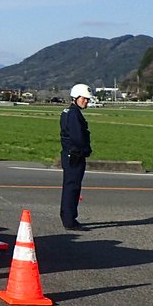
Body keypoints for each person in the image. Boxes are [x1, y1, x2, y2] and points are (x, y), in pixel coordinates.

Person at [60, 83, 94, 230]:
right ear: (76, 97)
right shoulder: (74, 114)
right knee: (72, 188)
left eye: (87, 99)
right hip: (75, 156)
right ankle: (70, 220)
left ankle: (69, 218)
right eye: (84, 99)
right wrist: (86, 149)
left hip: (69, 154)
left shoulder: (68, 112)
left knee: (71, 187)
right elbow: (78, 137)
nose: (86, 101)